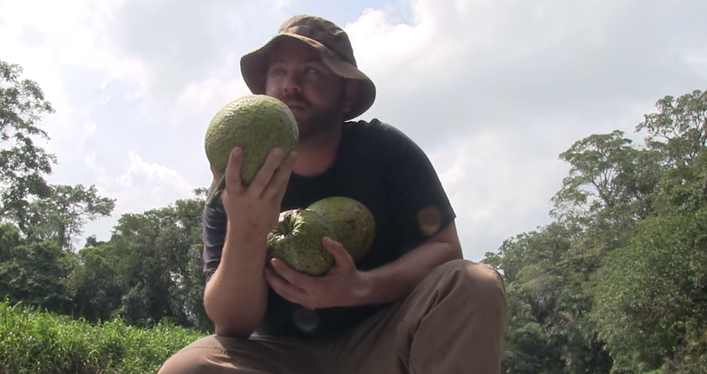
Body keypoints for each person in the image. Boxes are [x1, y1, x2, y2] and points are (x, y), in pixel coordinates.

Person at [158, 14, 508, 374]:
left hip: (385, 344)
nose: (290, 85)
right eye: (278, 72)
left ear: (348, 93)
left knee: (474, 284)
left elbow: (445, 250)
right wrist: (246, 229)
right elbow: (231, 325)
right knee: (187, 369)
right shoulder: (238, 180)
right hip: (280, 356)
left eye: (310, 71)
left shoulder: (386, 150)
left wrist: (361, 287)